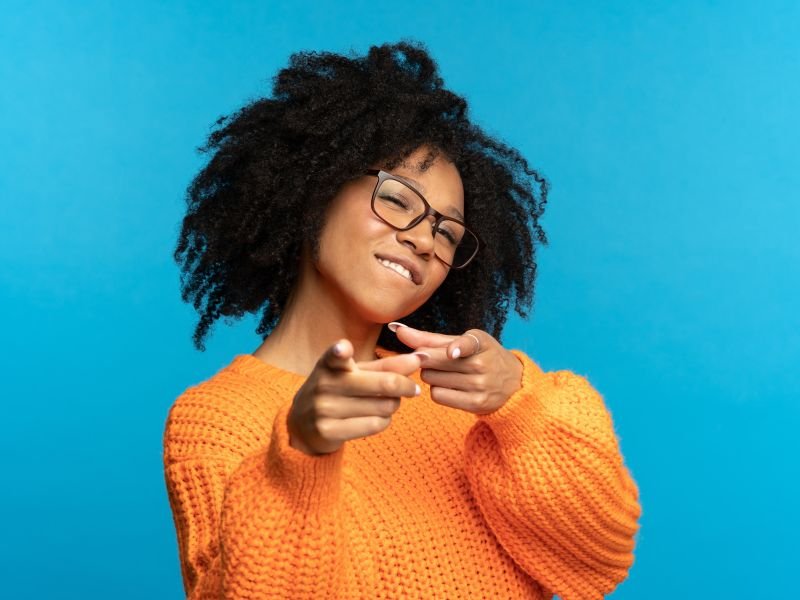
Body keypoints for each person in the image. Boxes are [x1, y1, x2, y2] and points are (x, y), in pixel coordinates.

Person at [163, 41, 641, 600]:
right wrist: (301, 455)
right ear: (317, 188)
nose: (421, 238)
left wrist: (523, 405)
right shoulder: (215, 420)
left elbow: (599, 560)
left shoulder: (471, 400)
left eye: (446, 232)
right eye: (397, 199)